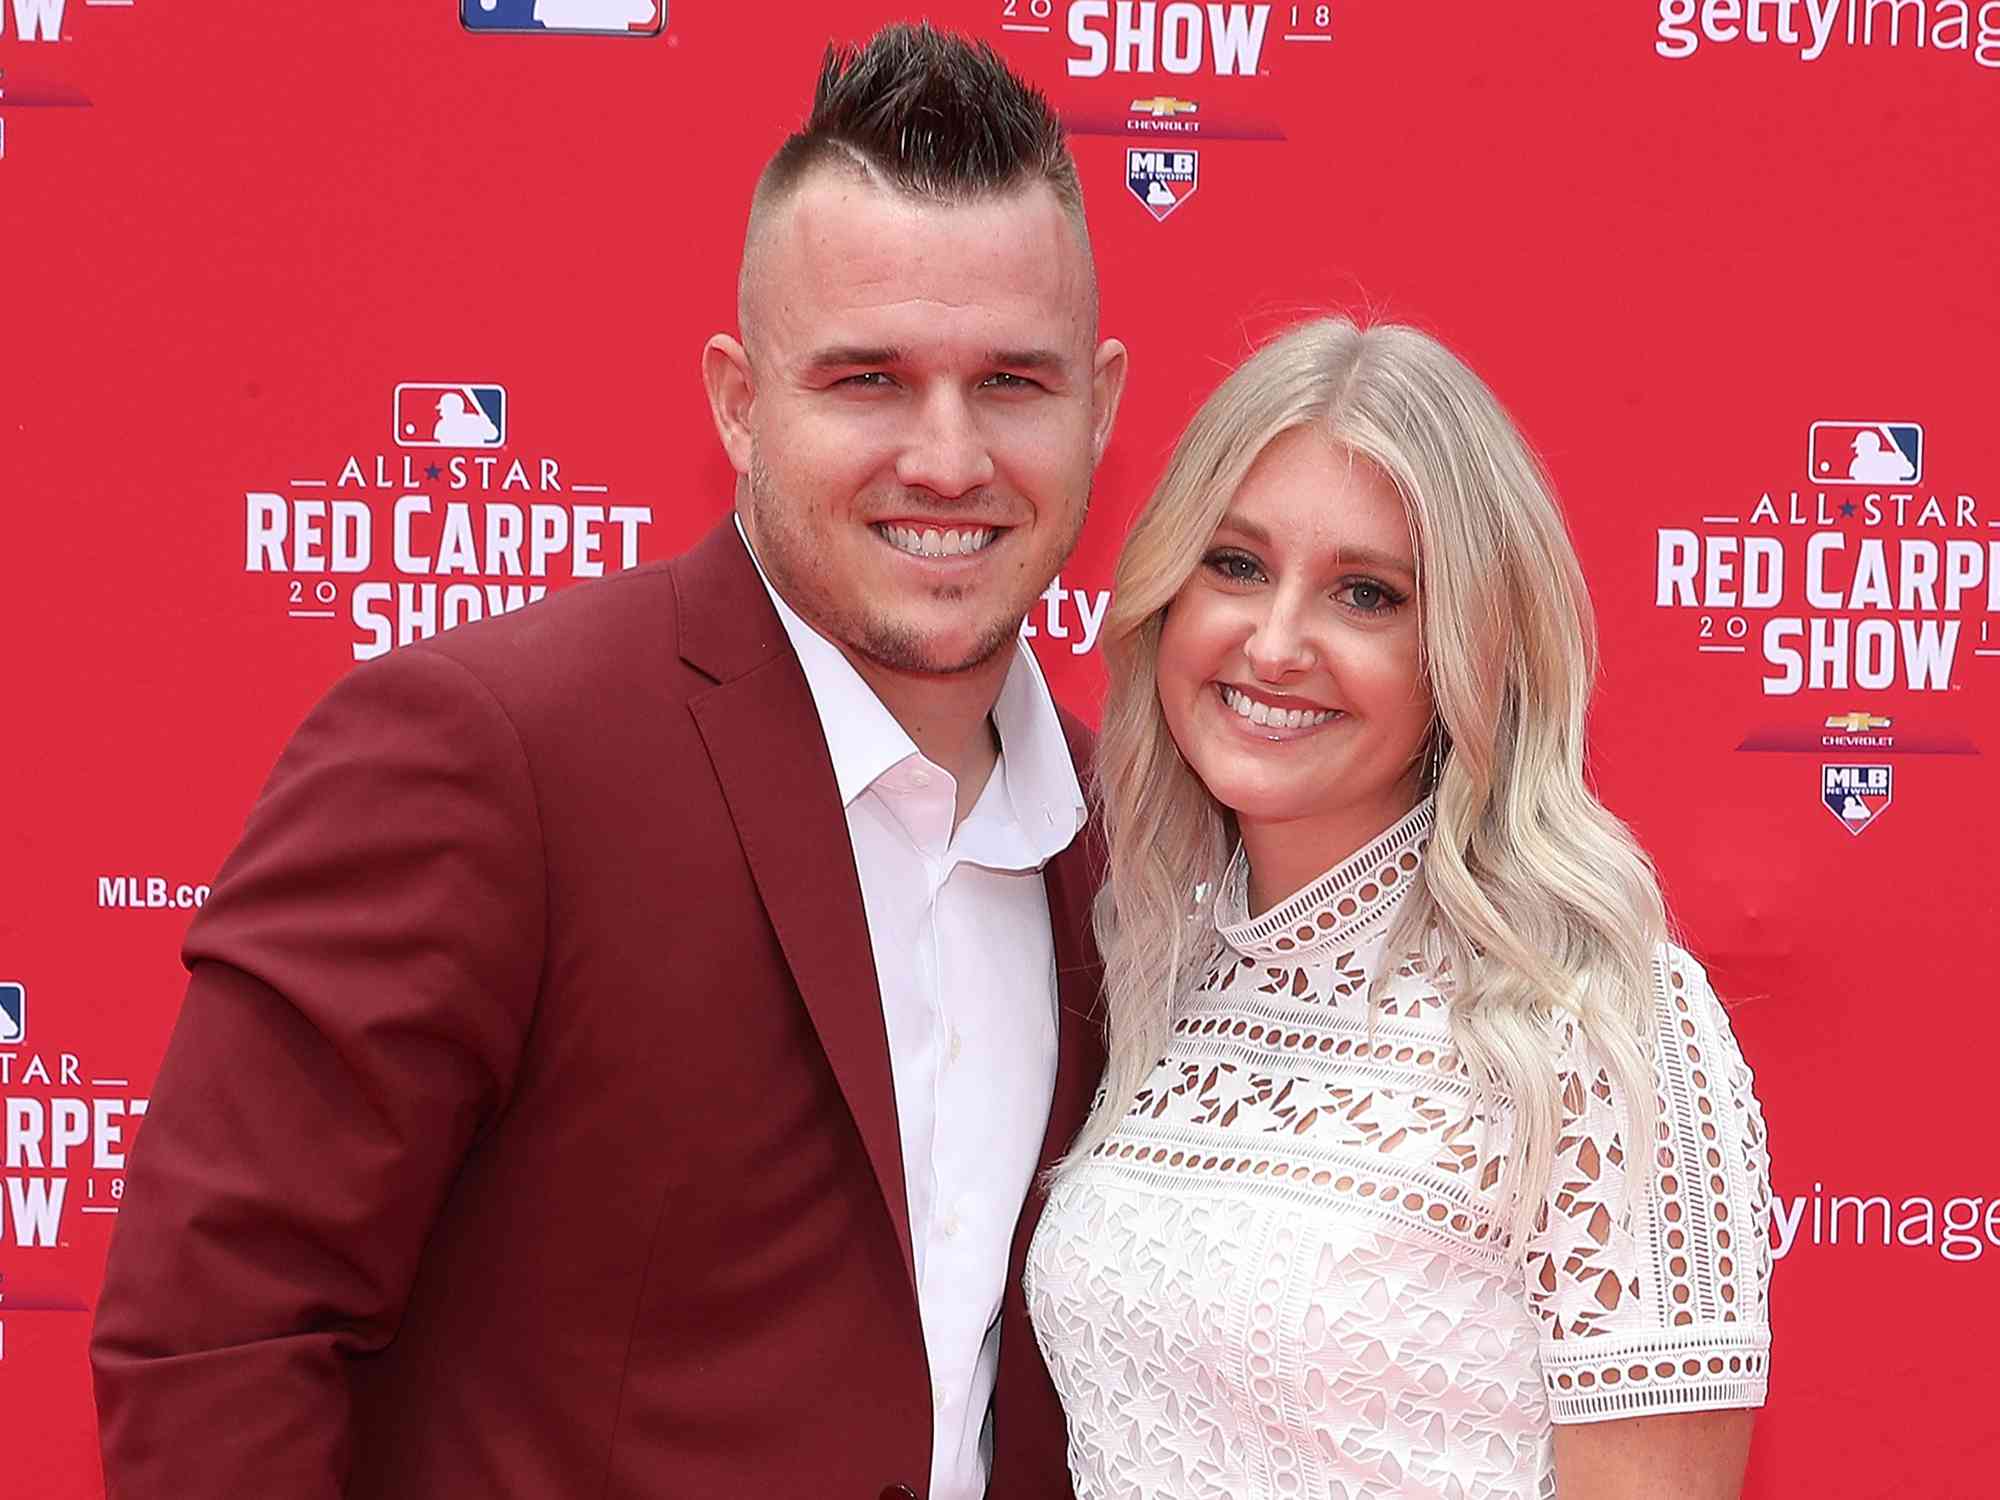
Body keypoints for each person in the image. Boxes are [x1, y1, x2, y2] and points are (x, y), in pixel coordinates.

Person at [91, 24, 1126, 1500]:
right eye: (867, 381)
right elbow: (218, 1341)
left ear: (1103, 407)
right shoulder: (487, 756)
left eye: (1013, 383)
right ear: (739, 402)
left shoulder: (1129, 846)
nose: (948, 459)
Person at [1027, 318, 1772, 1499]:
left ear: (1466, 652)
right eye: (1234, 566)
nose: (1273, 644)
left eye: (1364, 595)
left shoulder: (1601, 1023)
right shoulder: (1150, 960)